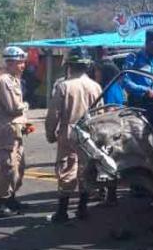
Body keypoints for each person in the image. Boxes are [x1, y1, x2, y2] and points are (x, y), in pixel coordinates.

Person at [45, 48, 103, 222]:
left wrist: (50, 133)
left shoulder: (64, 86)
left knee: (67, 170)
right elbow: (101, 114)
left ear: (69, 65)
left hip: (69, 133)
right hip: (89, 133)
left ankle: (62, 212)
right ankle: (82, 209)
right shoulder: (96, 86)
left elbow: (53, 114)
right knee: (86, 170)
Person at [0, 46, 29, 219]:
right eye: (20, 62)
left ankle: (11, 199)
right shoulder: (4, 81)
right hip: (6, 131)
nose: (23, 65)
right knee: (8, 168)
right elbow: (13, 107)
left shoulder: (14, 80)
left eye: (23, 62)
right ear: (11, 62)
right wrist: (26, 105)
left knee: (19, 168)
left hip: (16, 131)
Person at [122, 29, 153, 116]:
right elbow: (125, 81)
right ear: (147, 43)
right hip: (138, 105)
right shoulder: (134, 58)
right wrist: (145, 90)